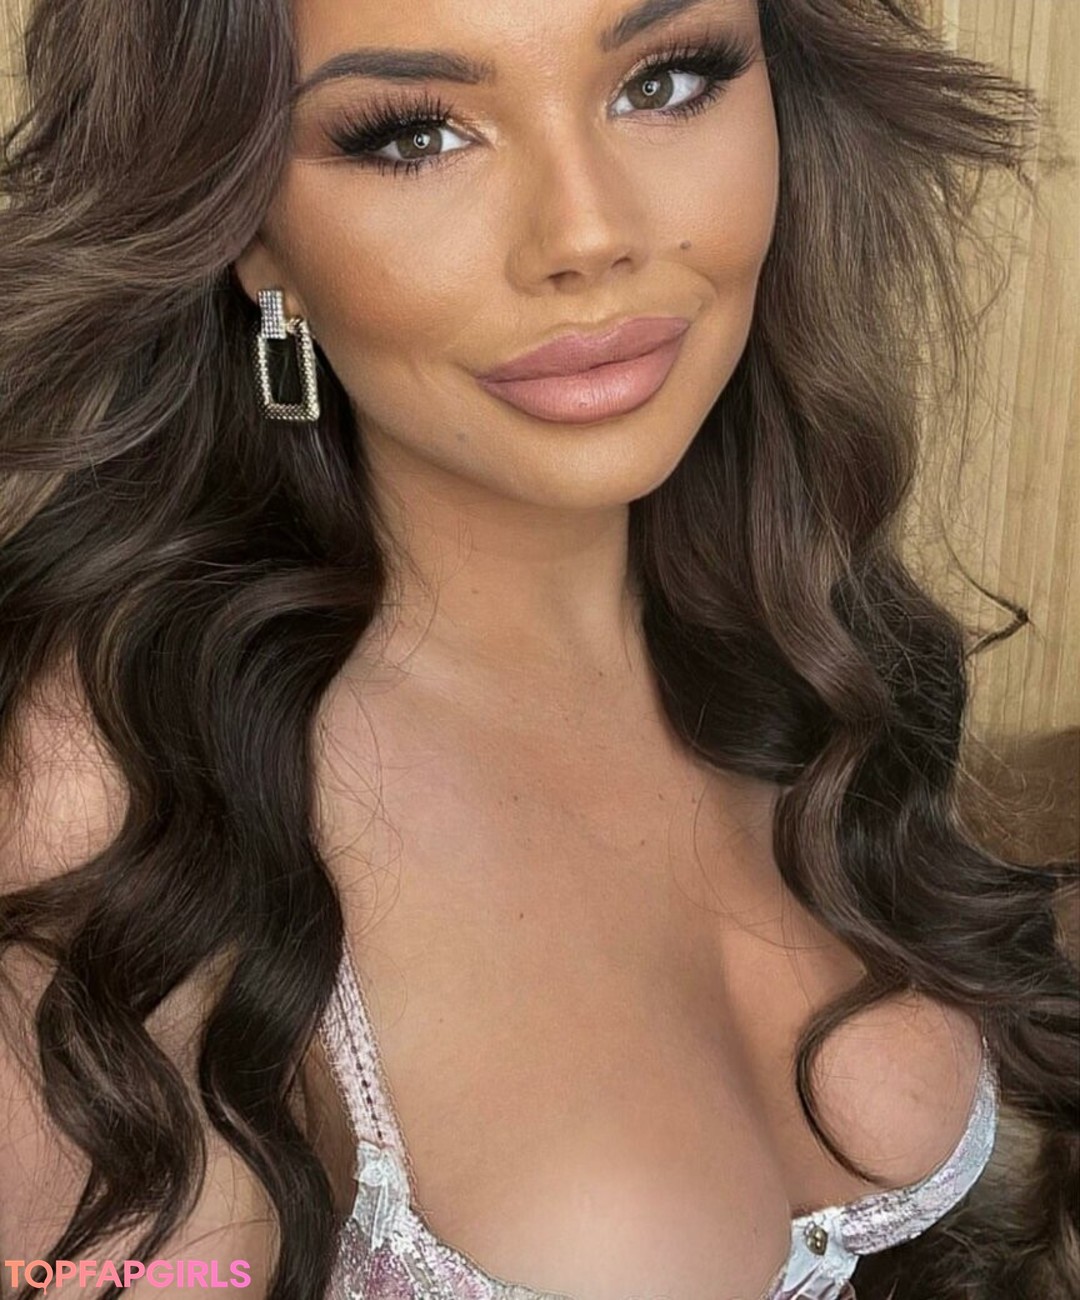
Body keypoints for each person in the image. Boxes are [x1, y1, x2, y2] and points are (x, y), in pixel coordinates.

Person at [0, 0, 1075, 1298]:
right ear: (252, 231)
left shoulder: (825, 637)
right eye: (414, 134)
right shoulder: (129, 787)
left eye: (665, 81)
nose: (588, 234)